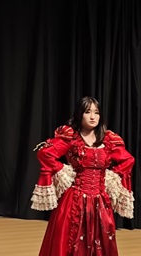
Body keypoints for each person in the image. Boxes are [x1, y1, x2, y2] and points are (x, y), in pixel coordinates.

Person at [31, 96, 135, 255]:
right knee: (69, 240)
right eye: (88, 112)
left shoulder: (107, 140)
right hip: (74, 200)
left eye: (96, 112)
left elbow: (128, 160)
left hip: (100, 202)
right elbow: (45, 153)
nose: (93, 117)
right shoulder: (71, 138)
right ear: (80, 114)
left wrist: (111, 175)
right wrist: (62, 170)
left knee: (102, 240)